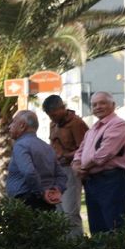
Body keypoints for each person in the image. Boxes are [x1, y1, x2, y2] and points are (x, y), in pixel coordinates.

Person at [73, 91, 125, 233]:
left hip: (111, 179)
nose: (98, 107)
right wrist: (76, 165)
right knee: (97, 225)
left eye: (102, 103)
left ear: (113, 105)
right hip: (92, 180)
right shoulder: (93, 129)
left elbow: (105, 153)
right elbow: (79, 151)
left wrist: (83, 168)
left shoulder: (118, 124)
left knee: (114, 224)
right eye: (94, 105)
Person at [43, 94, 88, 235]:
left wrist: (65, 156)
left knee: (70, 212)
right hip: (57, 171)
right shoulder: (53, 124)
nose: (53, 118)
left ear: (63, 108)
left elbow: (85, 149)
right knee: (59, 212)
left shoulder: (77, 123)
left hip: (70, 170)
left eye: (55, 115)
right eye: (50, 116)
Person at [6, 110, 66, 211]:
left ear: (22, 126)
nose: (10, 126)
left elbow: (29, 172)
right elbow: (62, 175)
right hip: (47, 203)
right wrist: (57, 189)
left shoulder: (21, 145)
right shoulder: (47, 147)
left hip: (26, 202)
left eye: (13, 122)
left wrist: (41, 193)